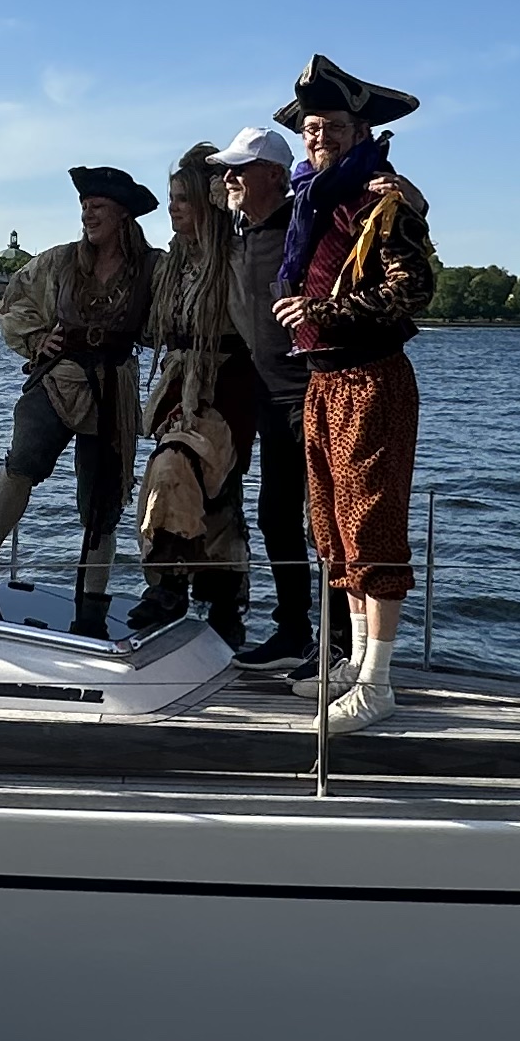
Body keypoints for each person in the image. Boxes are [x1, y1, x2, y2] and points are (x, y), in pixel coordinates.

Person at [267, 55, 437, 733]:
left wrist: (321, 314)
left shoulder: (383, 199)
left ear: (359, 129)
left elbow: (410, 292)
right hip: (324, 380)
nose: (320, 138)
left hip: (370, 377)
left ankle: (379, 681)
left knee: (370, 526)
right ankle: (361, 658)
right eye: (311, 127)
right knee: (333, 530)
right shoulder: (313, 196)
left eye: (334, 126)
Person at [0, 168, 159, 635]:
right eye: (85, 207)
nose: (88, 214)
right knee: (22, 460)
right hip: (58, 377)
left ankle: (92, 597)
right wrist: (36, 340)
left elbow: (174, 313)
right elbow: (14, 300)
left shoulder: (151, 266)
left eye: (99, 207)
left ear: (122, 216)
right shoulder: (60, 261)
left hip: (113, 386)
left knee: (104, 497)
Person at [129, 141, 262, 646]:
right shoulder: (173, 265)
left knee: (178, 468)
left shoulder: (232, 258)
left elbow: (254, 325)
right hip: (179, 386)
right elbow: (151, 325)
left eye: (183, 198)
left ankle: (172, 583)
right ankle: (219, 598)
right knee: (212, 493)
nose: (174, 207)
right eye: (171, 198)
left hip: (226, 385)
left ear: (207, 201)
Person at [213, 123, 312, 667]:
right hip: (269, 397)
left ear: (274, 175)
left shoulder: (305, 223)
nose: (229, 178)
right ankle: (294, 630)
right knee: (276, 516)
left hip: (313, 392)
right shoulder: (241, 232)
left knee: (324, 524)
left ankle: (339, 644)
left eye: (240, 169)